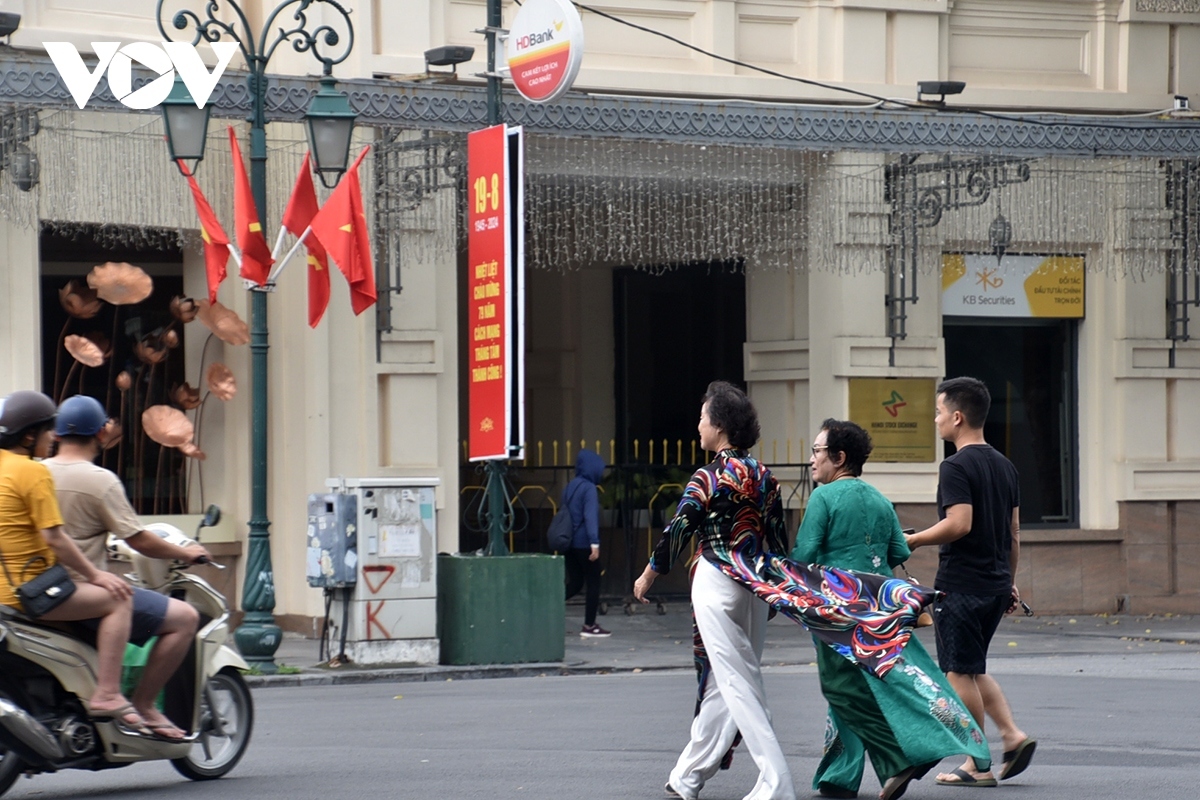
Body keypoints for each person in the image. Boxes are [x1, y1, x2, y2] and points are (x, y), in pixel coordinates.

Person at [632, 384, 936, 800]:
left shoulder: (709, 475)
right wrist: (774, 592)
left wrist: (649, 574)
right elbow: (776, 540)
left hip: (719, 576)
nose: (698, 425)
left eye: (703, 418)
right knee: (730, 681)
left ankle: (775, 781)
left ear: (719, 427)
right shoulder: (765, 477)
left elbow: (679, 527)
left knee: (737, 682)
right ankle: (688, 774)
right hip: (756, 583)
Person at [793, 419, 991, 800]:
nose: (813, 460)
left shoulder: (823, 497)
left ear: (839, 457)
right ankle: (839, 776)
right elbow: (898, 551)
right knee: (900, 683)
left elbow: (804, 554)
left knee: (840, 687)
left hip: (840, 610)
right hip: (882, 606)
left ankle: (899, 757)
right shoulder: (880, 499)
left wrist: (780, 587)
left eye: (818, 452)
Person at [45, 395, 210, 741]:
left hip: (37, 588)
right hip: (78, 591)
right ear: (103, 434)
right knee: (184, 618)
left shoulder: (36, 473)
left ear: (56, 435)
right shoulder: (100, 481)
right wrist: (185, 552)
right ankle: (145, 704)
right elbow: (140, 541)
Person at [905, 377, 1037, 787]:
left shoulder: (956, 466)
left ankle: (976, 764)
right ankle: (1012, 736)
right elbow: (1013, 532)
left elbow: (959, 524)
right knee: (972, 669)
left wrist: (913, 539)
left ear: (957, 417)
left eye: (940, 412)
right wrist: (1009, 582)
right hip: (995, 585)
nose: (936, 419)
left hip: (961, 586)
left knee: (958, 674)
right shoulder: (1005, 465)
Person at [0, 390, 146, 734]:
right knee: (120, 598)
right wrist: (97, 575)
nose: (53, 438)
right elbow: (55, 538)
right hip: (32, 590)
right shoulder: (32, 472)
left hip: (4, 590)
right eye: (48, 431)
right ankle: (108, 694)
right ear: (29, 435)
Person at [563, 447, 609, 638]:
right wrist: (594, 543)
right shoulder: (589, 488)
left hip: (569, 542)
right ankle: (590, 625)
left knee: (575, 582)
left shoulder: (570, 486)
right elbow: (590, 517)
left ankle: (548, 606)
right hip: (584, 543)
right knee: (594, 580)